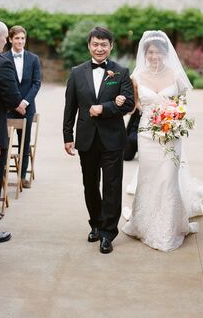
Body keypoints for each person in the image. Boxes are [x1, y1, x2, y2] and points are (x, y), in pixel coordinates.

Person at [121, 30, 203, 252]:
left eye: (158, 52)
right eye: (150, 52)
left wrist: (173, 117)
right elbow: (134, 107)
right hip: (146, 134)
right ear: (145, 53)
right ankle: (144, 223)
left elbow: (182, 104)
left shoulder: (175, 75)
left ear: (165, 53)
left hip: (171, 134)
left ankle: (168, 227)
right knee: (149, 177)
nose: (154, 56)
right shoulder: (136, 77)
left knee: (167, 178)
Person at [63, 26, 134, 254]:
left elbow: (130, 104)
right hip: (86, 139)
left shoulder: (121, 72)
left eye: (104, 44)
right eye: (95, 44)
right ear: (89, 46)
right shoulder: (76, 73)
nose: (100, 48)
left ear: (111, 46)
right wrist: (68, 136)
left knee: (112, 186)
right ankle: (95, 222)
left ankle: (107, 233)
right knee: (90, 184)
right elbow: (70, 107)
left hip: (113, 139)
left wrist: (103, 109)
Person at [0, 19, 24, 244]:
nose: (4, 43)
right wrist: (20, 106)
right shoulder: (0, 64)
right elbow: (12, 98)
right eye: (3, 39)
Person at [3, 26, 41, 189]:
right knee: (4, 141)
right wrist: (14, 104)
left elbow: (36, 83)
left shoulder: (33, 59)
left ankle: (22, 175)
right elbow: (3, 85)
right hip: (8, 108)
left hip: (27, 107)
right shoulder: (3, 58)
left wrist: (24, 103)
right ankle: (3, 174)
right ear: (10, 39)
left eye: (22, 38)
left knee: (24, 141)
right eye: (17, 38)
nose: (20, 41)